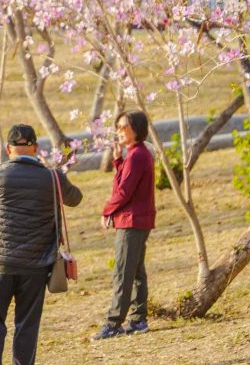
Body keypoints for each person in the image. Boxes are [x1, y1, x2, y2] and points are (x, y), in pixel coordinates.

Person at [0, 124, 82, 365]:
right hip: (36, 265)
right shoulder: (52, 177)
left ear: (7, 149)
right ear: (35, 148)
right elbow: (76, 199)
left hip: (0, 263)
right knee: (27, 323)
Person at [94, 110, 156, 340]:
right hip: (138, 219)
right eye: (118, 127)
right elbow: (126, 183)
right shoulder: (135, 154)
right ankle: (138, 319)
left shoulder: (137, 155)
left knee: (123, 271)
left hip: (132, 221)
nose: (119, 131)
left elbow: (124, 191)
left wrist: (106, 210)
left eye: (123, 127)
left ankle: (114, 322)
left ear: (136, 129)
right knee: (136, 270)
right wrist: (118, 160)